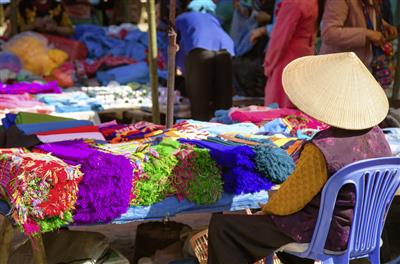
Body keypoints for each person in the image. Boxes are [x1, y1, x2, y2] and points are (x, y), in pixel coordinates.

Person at [207, 52, 393, 264]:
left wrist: (265, 208)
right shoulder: (378, 137)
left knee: (224, 228)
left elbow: (289, 202)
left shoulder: (322, 148)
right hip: (364, 230)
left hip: (325, 234)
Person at [175, 0, 235, 121]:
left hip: (200, 50)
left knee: (199, 102)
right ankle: (226, 132)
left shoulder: (181, 18)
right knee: (224, 101)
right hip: (225, 51)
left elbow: (175, 46)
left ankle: (200, 133)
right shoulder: (211, 17)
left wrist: (180, 67)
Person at [260, 0, 323, 108]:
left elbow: (279, 39)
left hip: (286, 59)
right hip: (304, 56)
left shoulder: (294, 2)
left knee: (280, 107)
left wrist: (268, 64)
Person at [320, 0, 398, 67]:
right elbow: (329, 33)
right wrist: (367, 34)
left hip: (360, 64)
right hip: (338, 67)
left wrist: (382, 24)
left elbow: (366, 16)